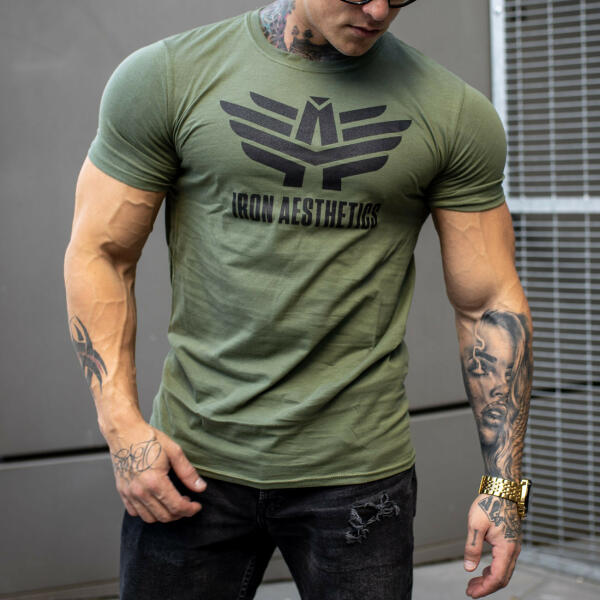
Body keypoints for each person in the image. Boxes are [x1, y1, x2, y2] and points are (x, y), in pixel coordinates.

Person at [64, 1, 533, 598]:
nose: (378, 10)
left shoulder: (454, 112)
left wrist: (505, 487)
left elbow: (488, 303)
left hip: (361, 477)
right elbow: (101, 253)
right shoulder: (167, 77)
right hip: (189, 462)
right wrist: (123, 429)